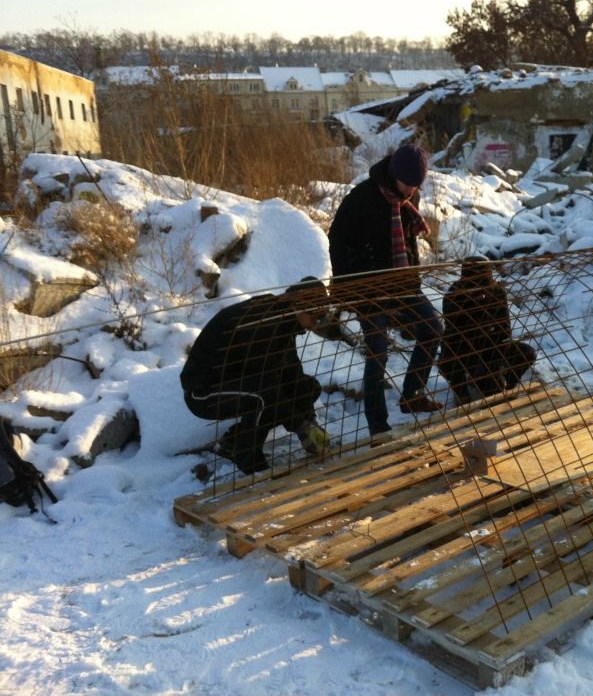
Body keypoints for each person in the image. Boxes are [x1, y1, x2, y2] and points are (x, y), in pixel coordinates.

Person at [328, 144, 443, 438]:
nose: (411, 191)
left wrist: (413, 276)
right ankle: (378, 425)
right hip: (369, 287)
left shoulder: (408, 197)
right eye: (407, 184)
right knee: (377, 352)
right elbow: (337, 240)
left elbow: (408, 241)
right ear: (393, 175)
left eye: (416, 186)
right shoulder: (362, 198)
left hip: (403, 282)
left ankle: (412, 394)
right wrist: (348, 283)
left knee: (432, 328)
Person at [179, 277, 331, 474]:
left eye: (321, 318)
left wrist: (310, 422)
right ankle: (249, 461)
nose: (315, 325)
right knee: (262, 397)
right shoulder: (264, 323)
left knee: (309, 387)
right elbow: (267, 383)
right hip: (204, 390)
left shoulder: (286, 320)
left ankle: (233, 441)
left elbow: (292, 372)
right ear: (299, 306)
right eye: (315, 318)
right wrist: (302, 427)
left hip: (243, 381)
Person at [438, 256, 536, 405]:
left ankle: (507, 386)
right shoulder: (454, 297)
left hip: (490, 345)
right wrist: (485, 368)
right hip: (463, 350)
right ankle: (462, 388)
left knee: (527, 353)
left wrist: (497, 362)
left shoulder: (496, 292)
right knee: (488, 387)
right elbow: (458, 337)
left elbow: (504, 329)